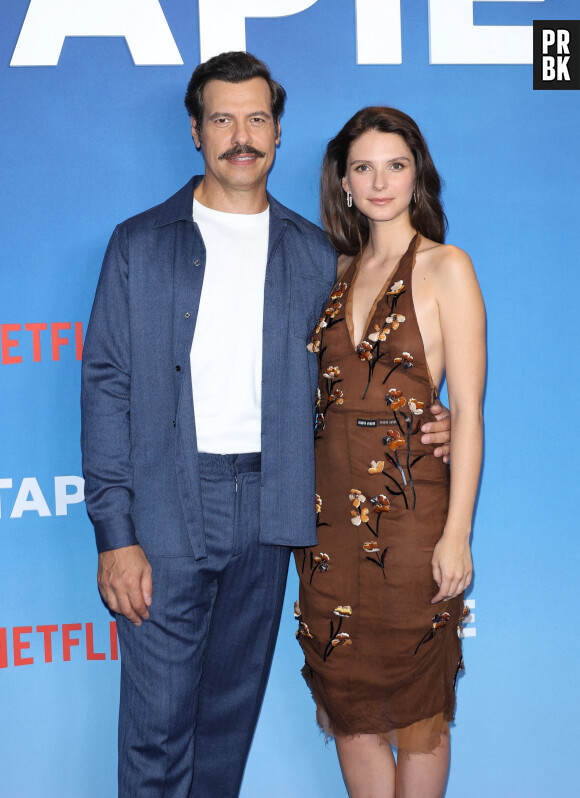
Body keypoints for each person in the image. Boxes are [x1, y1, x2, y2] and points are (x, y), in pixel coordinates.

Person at [81, 52, 452, 796]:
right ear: (195, 131)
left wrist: (427, 416)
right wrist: (115, 536)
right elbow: (106, 387)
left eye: (257, 118)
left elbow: (361, 372)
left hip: (276, 507)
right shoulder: (139, 244)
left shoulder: (317, 255)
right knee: (155, 732)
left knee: (226, 725)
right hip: (164, 510)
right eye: (222, 118)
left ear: (278, 134)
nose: (240, 135)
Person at [294, 107, 485, 798]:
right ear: (342, 182)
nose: (380, 181)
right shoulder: (331, 271)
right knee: (349, 706)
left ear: (417, 175)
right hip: (323, 532)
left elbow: (465, 412)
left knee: (417, 710)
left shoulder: (445, 266)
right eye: (363, 167)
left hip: (409, 523)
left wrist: (457, 534)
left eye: (395, 165)